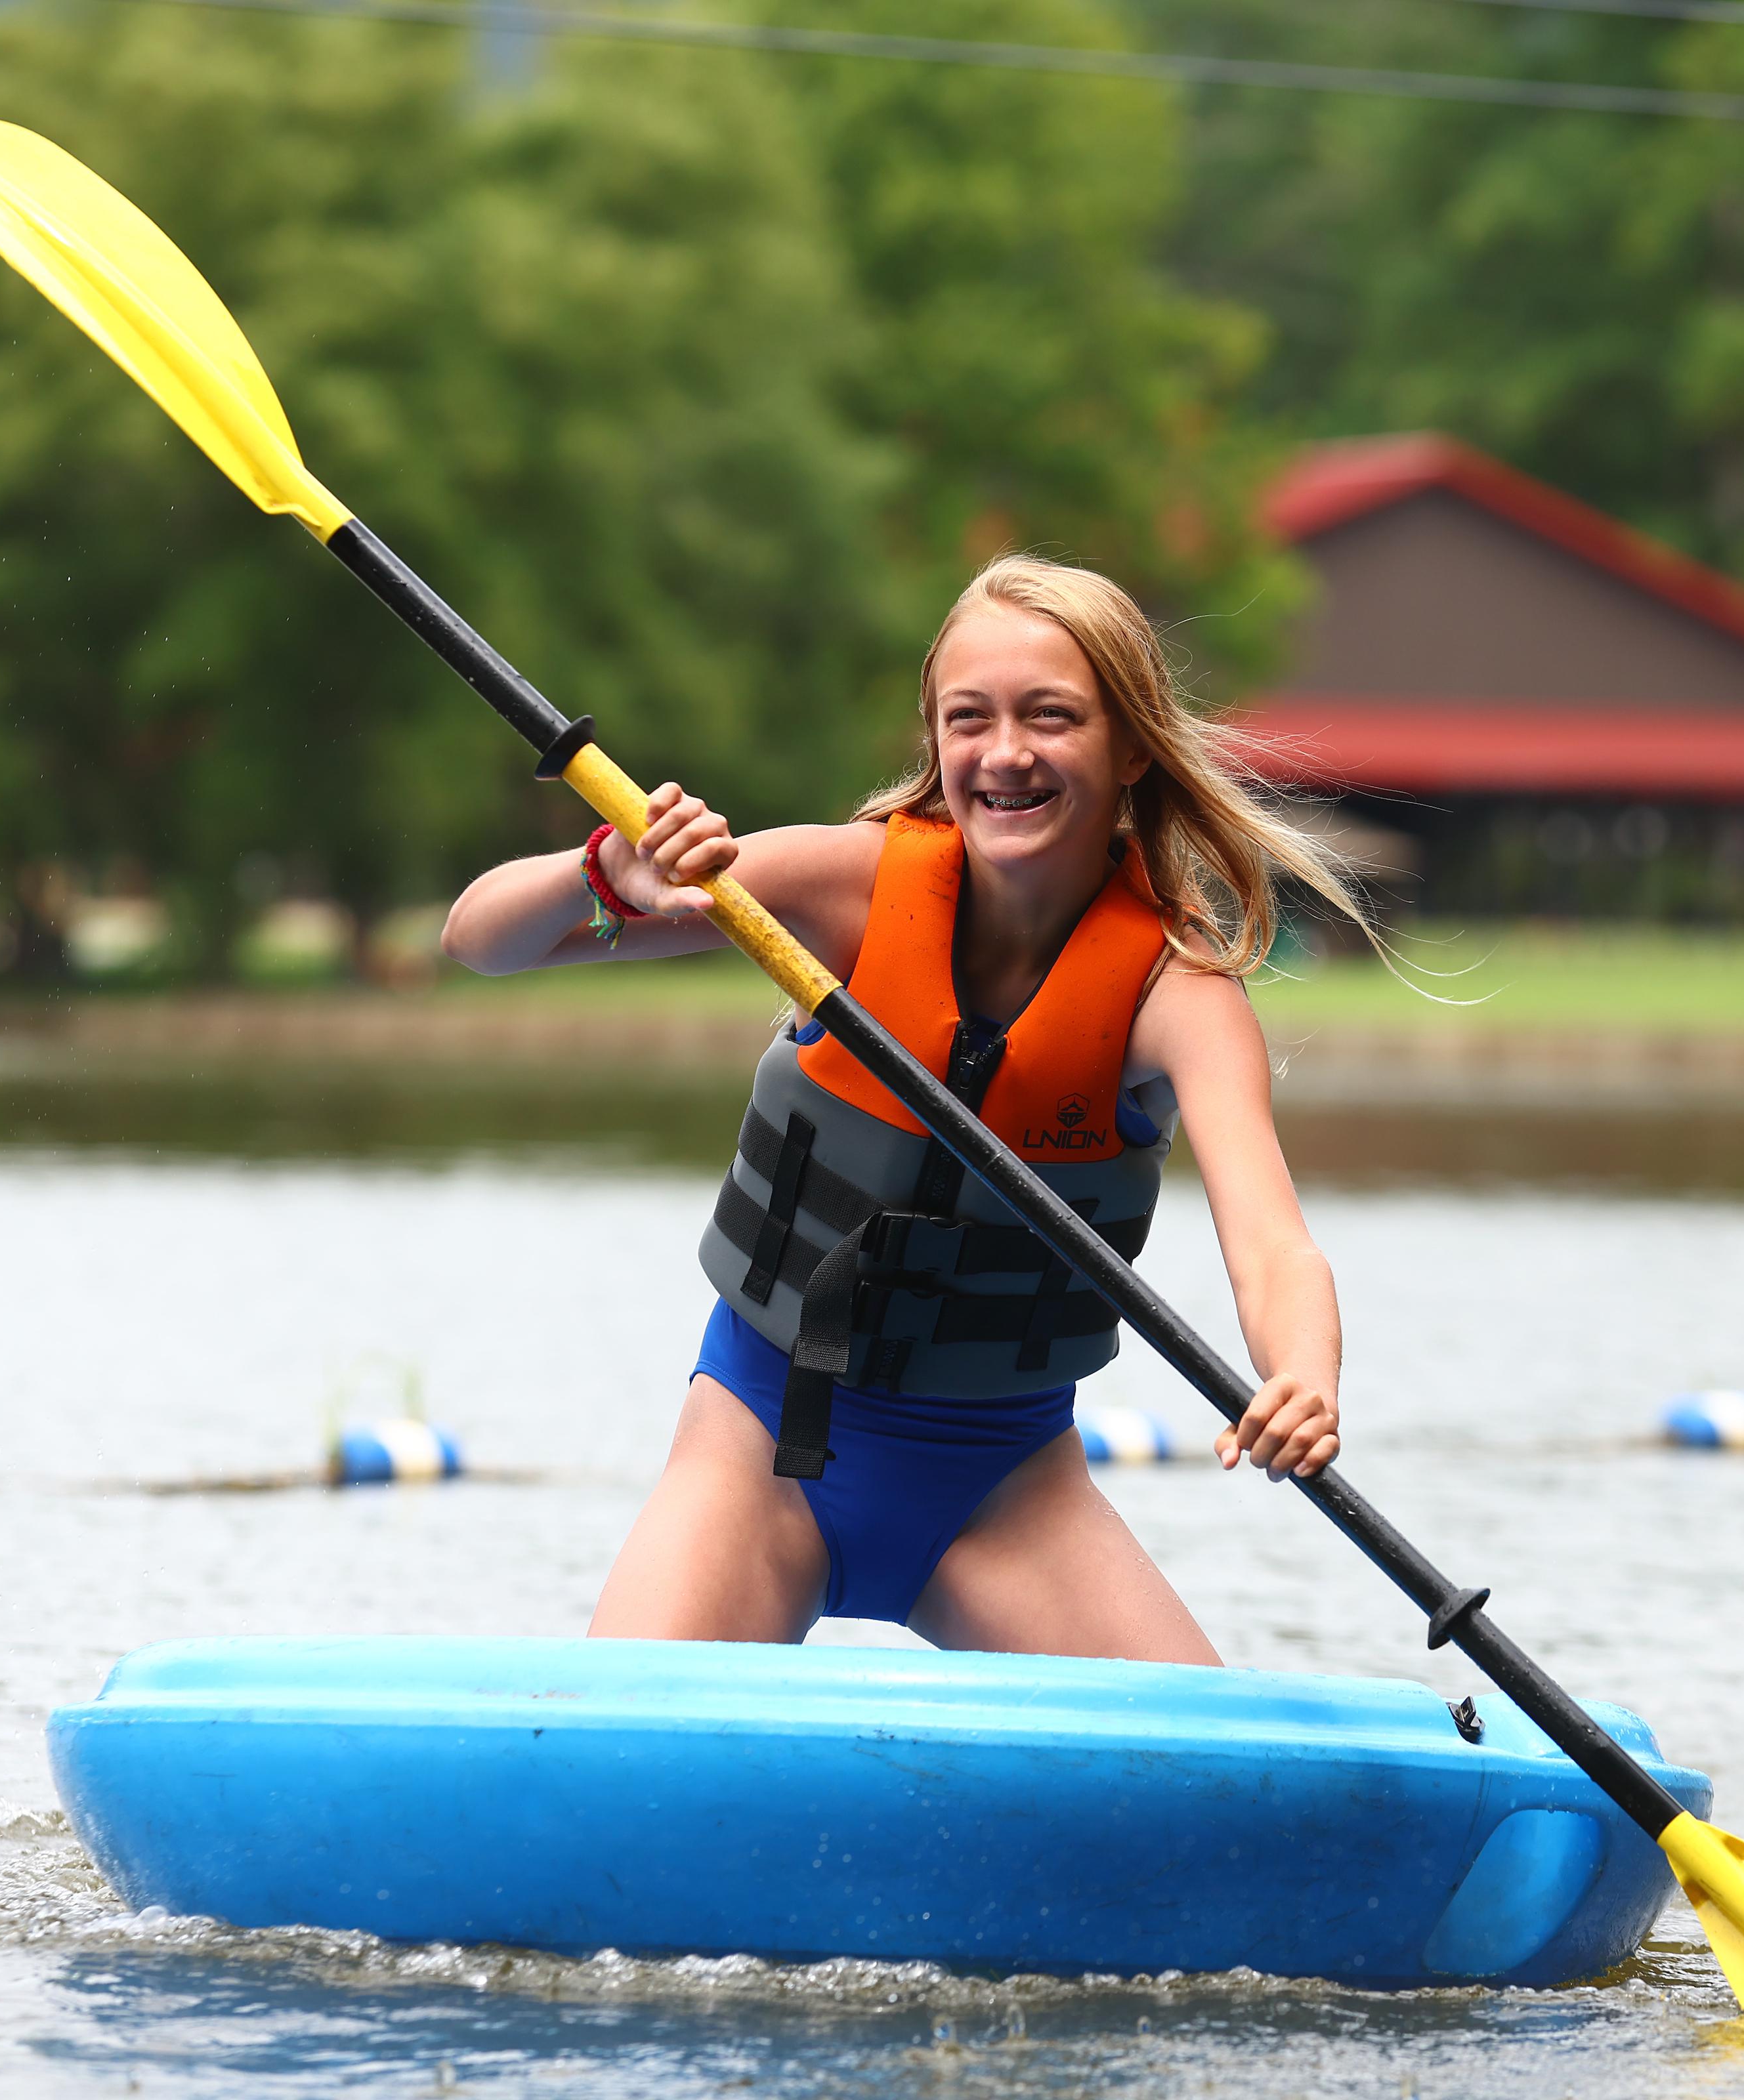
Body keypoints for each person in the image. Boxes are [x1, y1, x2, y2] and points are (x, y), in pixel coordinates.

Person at [442, 555, 1371, 1663]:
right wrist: (609, 872)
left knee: (1204, 1766)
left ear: (1131, 748)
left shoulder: (1178, 996)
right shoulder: (848, 886)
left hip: (1006, 1496)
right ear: (936, 740)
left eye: (1050, 716)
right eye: (969, 718)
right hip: (756, 1458)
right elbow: (480, 940)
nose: (1005, 752)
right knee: (625, 1745)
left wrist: (1304, 1378)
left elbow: (1273, 1247)